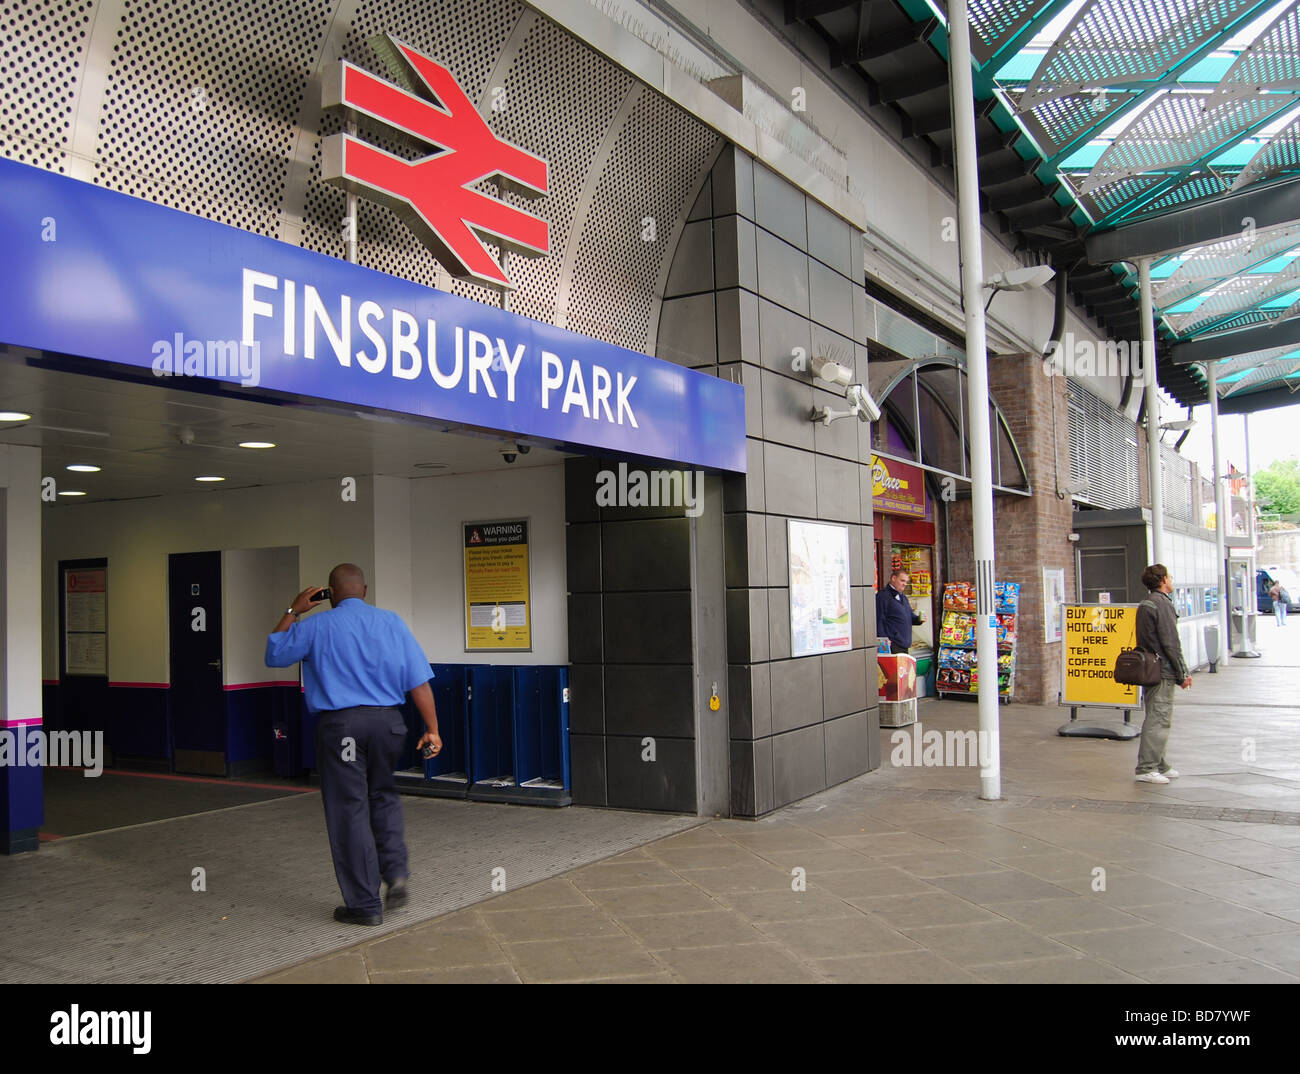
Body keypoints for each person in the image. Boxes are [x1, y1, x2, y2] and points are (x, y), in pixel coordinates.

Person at [266, 563, 441, 926]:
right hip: (387, 724)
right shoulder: (391, 622)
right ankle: (394, 872)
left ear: (329, 594)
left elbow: (275, 655)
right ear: (364, 589)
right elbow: (418, 679)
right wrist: (432, 729)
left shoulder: (313, 625)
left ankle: (364, 905)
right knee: (384, 796)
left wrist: (293, 611)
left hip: (342, 727)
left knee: (349, 809)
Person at [1134, 563, 1191, 785]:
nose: (1172, 580)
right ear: (1163, 580)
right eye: (1170, 576)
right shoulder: (1162, 605)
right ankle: (1146, 767)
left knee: (1156, 716)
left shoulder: (1146, 603)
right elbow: (1171, 643)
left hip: (1150, 668)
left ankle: (1159, 763)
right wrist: (1182, 672)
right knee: (1159, 718)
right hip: (1163, 669)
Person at [875, 568, 924, 655]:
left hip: (904, 644)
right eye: (902, 580)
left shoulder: (903, 597)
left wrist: (919, 619)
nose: (905, 584)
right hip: (892, 645)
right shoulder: (883, 596)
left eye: (906, 582)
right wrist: (883, 641)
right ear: (893, 578)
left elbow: (910, 617)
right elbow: (879, 620)